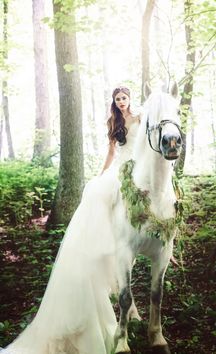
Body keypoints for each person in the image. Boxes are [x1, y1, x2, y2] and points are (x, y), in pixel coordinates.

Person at [1, 86, 140, 354]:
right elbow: (112, 152)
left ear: (130, 98)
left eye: (124, 98)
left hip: (138, 168)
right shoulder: (114, 121)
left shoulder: (140, 117)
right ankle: (100, 241)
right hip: (120, 168)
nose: (121, 102)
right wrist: (102, 174)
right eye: (117, 99)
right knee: (96, 189)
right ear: (114, 102)